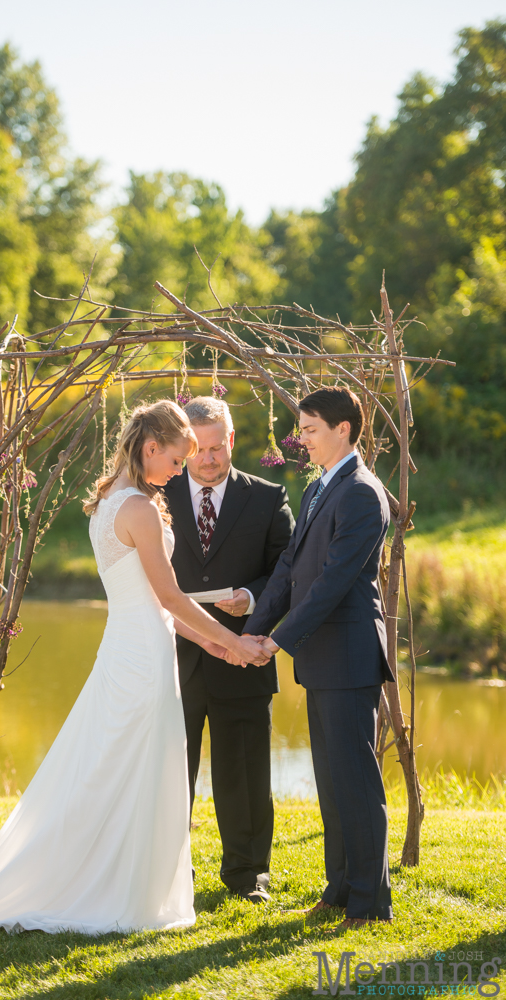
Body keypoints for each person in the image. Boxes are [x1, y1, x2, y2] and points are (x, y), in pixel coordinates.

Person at [0, 400, 269, 936]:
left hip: (129, 646)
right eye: (178, 460)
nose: (181, 471)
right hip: (140, 658)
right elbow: (170, 596)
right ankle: (117, 890)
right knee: (131, 765)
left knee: (118, 767)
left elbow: (156, 606)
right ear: (151, 447)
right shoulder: (137, 507)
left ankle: (118, 879)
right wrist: (231, 638)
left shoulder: (112, 500)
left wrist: (214, 647)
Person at [244, 386, 394, 930]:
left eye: (308, 430)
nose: (299, 439)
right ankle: (339, 886)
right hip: (322, 658)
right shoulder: (316, 490)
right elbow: (288, 568)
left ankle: (370, 902)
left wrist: (277, 642)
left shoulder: (360, 492)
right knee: (331, 781)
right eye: (300, 430)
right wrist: (252, 632)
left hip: (349, 657)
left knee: (355, 781)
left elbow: (332, 584)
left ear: (343, 430)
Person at [164, 396, 295, 904]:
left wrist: (254, 598)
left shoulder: (266, 498)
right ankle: (172, 873)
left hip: (243, 655)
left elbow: (285, 570)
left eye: (219, 447)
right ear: (185, 445)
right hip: (173, 656)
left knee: (244, 773)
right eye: (199, 448)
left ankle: (248, 875)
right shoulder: (158, 493)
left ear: (232, 441)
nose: (210, 458)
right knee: (170, 771)